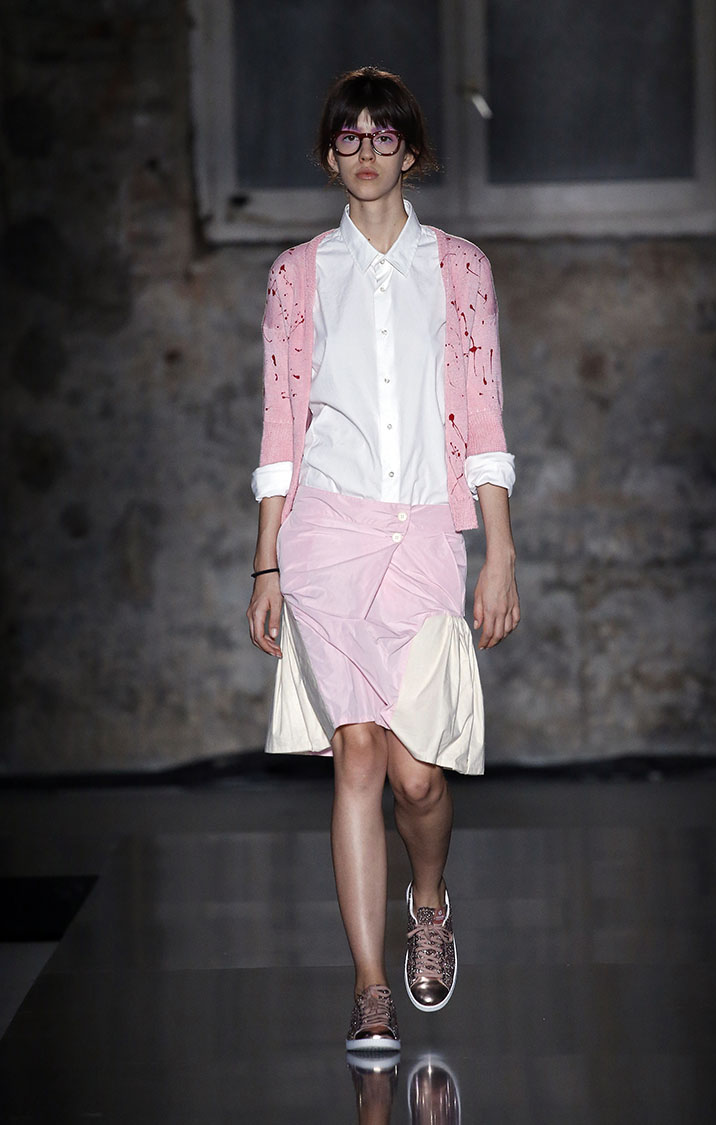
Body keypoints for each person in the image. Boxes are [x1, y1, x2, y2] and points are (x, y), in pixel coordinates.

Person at [247, 66, 520, 1054]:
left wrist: (499, 552)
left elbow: (482, 416)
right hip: (325, 535)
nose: (366, 151)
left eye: (384, 135)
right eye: (349, 137)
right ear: (331, 155)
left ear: (410, 151)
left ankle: (430, 901)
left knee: (418, 779)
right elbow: (282, 422)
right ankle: (369, 988)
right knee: (356, 755)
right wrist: (266, 564)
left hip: (425, 536)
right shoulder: (296, 274)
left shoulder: (460, 269)